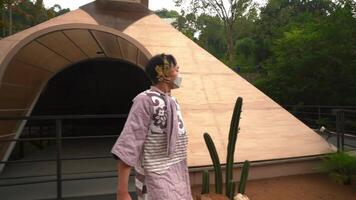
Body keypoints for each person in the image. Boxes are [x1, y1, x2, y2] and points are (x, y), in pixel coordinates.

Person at [111, 54, 192, 200]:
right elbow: (129, 144)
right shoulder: (145, 100)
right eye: (176, 69)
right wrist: (122, 191)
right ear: (164, 73)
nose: (179, 73)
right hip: (155, 181)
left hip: (179, 178)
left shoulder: (174, 102)